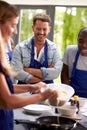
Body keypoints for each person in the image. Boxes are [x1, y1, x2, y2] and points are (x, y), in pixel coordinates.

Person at [0, 1, 58, 130]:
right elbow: (7, 101)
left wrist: (32, 86)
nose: (15, 31)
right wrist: (41, 95)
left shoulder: (54, 48)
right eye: (13, 25)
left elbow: (6, 88)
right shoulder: (19, 48)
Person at [12, 13, 62, 84]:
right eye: (38, 29)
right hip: (24, 91)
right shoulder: (20, 48)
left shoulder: (55, 49)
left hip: (46, 90)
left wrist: (28, 70)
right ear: (33, 28)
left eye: (44, 29)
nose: (41, 32)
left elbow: (56, 73)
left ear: (49, 29)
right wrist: (45, 75)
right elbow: (16, 72)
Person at [61, 27, 87, 98]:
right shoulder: (70, 51)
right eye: (81, 41)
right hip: (72, 96)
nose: (84, 45)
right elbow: (64, 74)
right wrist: (68, 94)